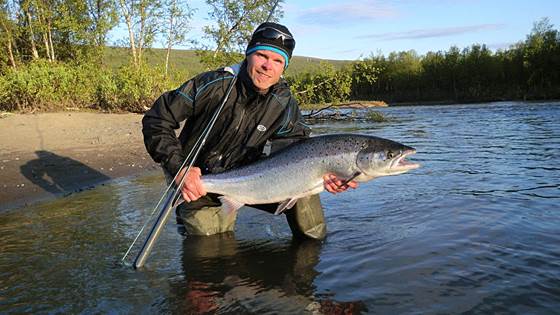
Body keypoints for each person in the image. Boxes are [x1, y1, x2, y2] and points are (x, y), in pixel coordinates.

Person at [142, 22, 357, 238]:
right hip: (197, 182)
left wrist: (327, 175)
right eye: (262, 56)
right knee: (210, 245)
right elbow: (157, 119)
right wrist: (180, 168)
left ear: (284, 67)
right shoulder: (214, 85)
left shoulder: (283, 104)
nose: (268, 66)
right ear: (248, 55)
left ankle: (311, 258)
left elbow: (300, 149)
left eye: (277, 61)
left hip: (255, 180)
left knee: (306, 190)